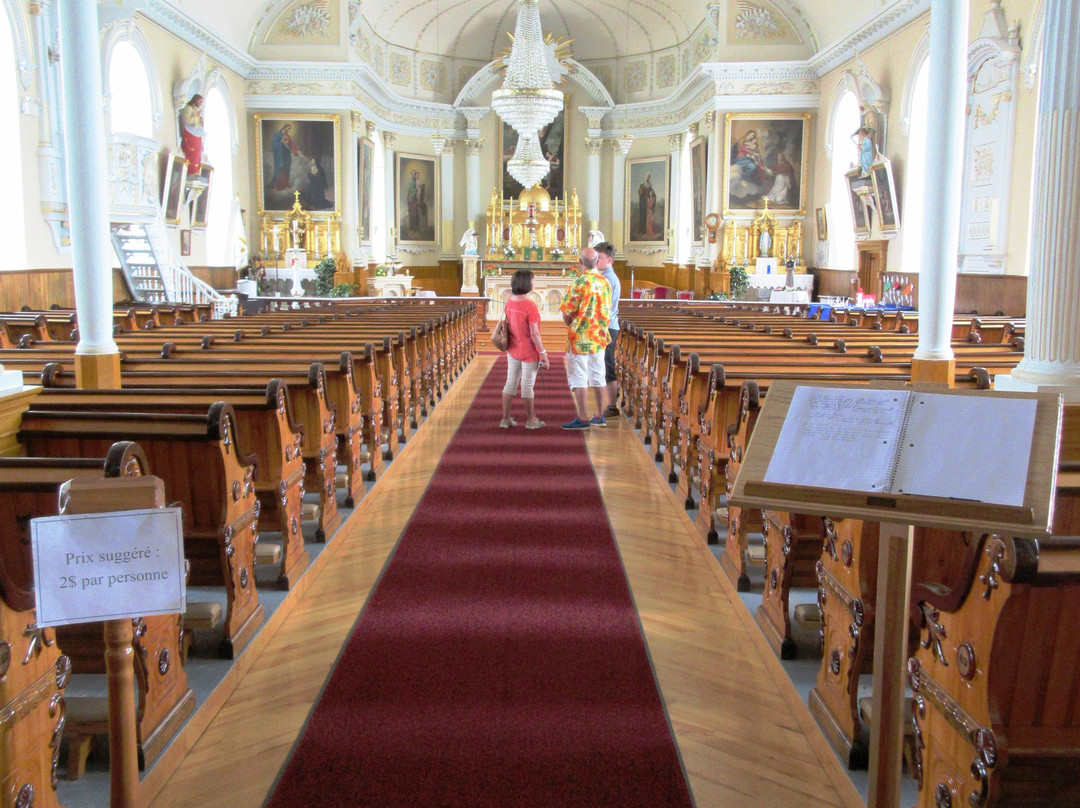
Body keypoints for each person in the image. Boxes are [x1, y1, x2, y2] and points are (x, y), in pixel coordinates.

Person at [558, 247, 611, 430]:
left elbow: (567, 313)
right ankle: (599, 415)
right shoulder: (605, 283)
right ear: (598, 262)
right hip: (599, 336)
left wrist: (571, 324)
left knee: (579, 376)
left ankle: (582, 418)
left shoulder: (578, 283)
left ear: (580, 263)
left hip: (580, 337)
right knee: (598, 375)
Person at [501, 270, 549, 430]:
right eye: (533, 280)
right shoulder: (530, 305)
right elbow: (535, 333)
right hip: (529, 350)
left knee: (510, 383)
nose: (534, 283)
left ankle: (506, 418)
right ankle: (531, 419)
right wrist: (543, 353)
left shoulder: (510, 301)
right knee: (527, 386)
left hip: (513, 348)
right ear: (527, 283)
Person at [595, 241, 621, 418]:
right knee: (604, 365)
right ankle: (611, 404)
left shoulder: (609, 279)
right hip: (607, 326)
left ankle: (612, 407)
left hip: (608, 328)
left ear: (609, 260)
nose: (597, 260)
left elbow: (604, 307)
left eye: (600, 257)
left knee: (608, 366)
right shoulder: (605, 277)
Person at [180, 94, 205, 175]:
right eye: (200, 101)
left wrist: (201, 121)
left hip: (196, 133)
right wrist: (196, 117)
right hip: (190, 133)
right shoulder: (189, 108)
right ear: (196, 99)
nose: (201, 103)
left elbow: (197, 123)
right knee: (192, 151)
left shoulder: (195, 109)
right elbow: (187, 120)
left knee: (197, 152)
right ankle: (191, 171)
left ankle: (196, 170)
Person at [271, 123, 300, 192]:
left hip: (287, 155)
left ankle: (285, 185)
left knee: (286, 169)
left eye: (290, 129)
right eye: (288, 128)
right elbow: (274, 143)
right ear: (285, 127)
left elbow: (291, 145)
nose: (288, 130)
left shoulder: (288, 136)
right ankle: (277, 186)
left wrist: (296, 151)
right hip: (280, 155)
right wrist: (281, 141)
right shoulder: (277, 134)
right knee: (280, 169)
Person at [637, 173, 652, 238]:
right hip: (642, 202)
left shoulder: (649, 185)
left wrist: (650, 196)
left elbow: (651, 193)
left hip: (647, 202)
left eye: (649, 177)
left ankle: (644, 231)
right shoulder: (642, 185)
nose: (648, 177)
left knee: (646, 216)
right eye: (647, 176)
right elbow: (640, 193)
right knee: (642, 215)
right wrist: (643, 186)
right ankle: (640, 230)